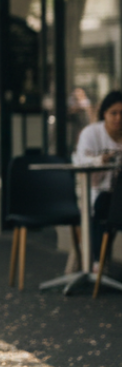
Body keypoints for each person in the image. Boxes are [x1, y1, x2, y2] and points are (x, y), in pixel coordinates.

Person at [74, 90, 122, 272]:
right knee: (101, 207)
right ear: (104, 114)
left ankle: (96, 264)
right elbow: (81, 162)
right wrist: (102, 159)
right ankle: (95, 264)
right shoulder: (91, 133)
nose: (118, 118)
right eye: (114, 113)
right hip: (94, 192)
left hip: (117, 196)